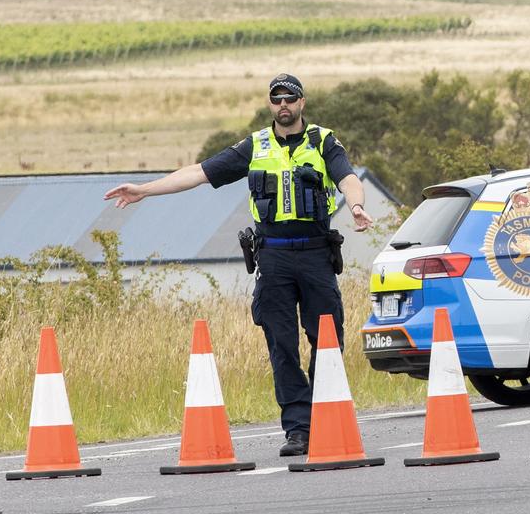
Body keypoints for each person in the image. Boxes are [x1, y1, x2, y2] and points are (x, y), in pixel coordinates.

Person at [104, 73, 372, 457]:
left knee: (327, 339)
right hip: (274, 256)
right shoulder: (256, 145)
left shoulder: (322, 140)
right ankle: (298, 429)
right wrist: (145, 190)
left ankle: (327, 416)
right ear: (270, 104)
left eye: (290, 99)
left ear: (302, 103)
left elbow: (347, 178)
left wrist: (358, 205)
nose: (284, 105)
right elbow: (198, 173)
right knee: (281, 343)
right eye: (277, 99)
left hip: (315, 254)